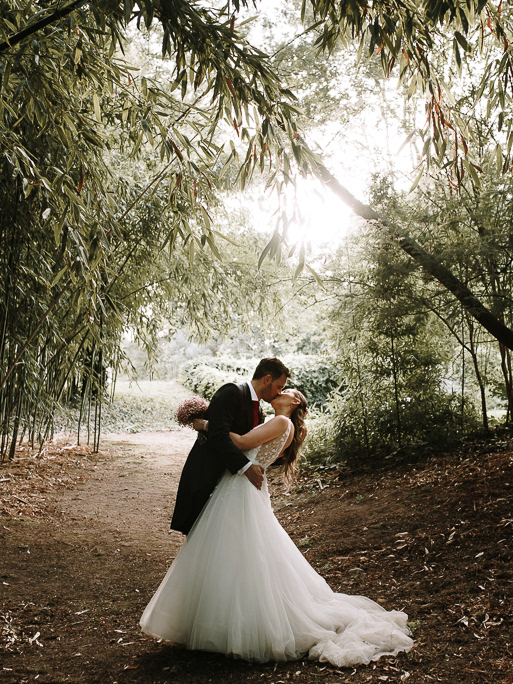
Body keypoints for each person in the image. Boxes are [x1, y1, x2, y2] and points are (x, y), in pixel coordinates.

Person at [140, 389, 414, 667]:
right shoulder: (277, 422)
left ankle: (237, 624)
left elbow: (241, 442)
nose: (279, 392)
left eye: (286, 391)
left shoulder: (282, 422)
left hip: (242, 487)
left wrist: (208, 425)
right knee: (241, 548)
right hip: (243, 485)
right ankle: (225, 621)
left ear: (294, 402)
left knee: (238, 547)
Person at [170, 357, 290, 535]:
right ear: (267, 379)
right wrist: (246, 467)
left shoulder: (258, 411)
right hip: (206, 473)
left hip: (228, 483)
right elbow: (218, 435)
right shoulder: (232, 392)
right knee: (199, 533)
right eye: (279, 387)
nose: (279, 392)